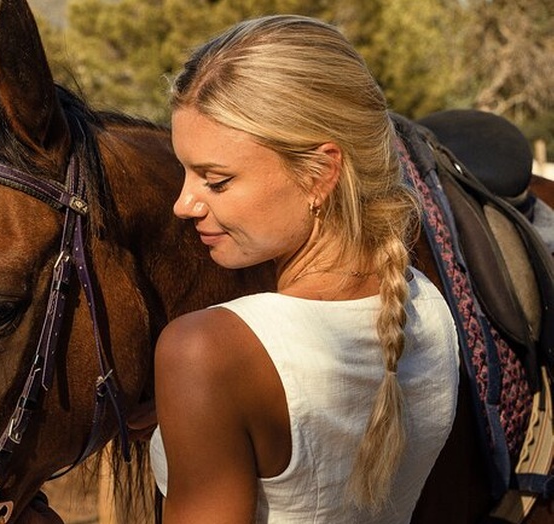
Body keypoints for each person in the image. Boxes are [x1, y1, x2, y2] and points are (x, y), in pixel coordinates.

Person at [148, 14, 460, 523]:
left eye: (217, 180)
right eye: (185, 171)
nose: (184, 204)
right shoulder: (425, 303)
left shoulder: (206, 349)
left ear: (320, 173)